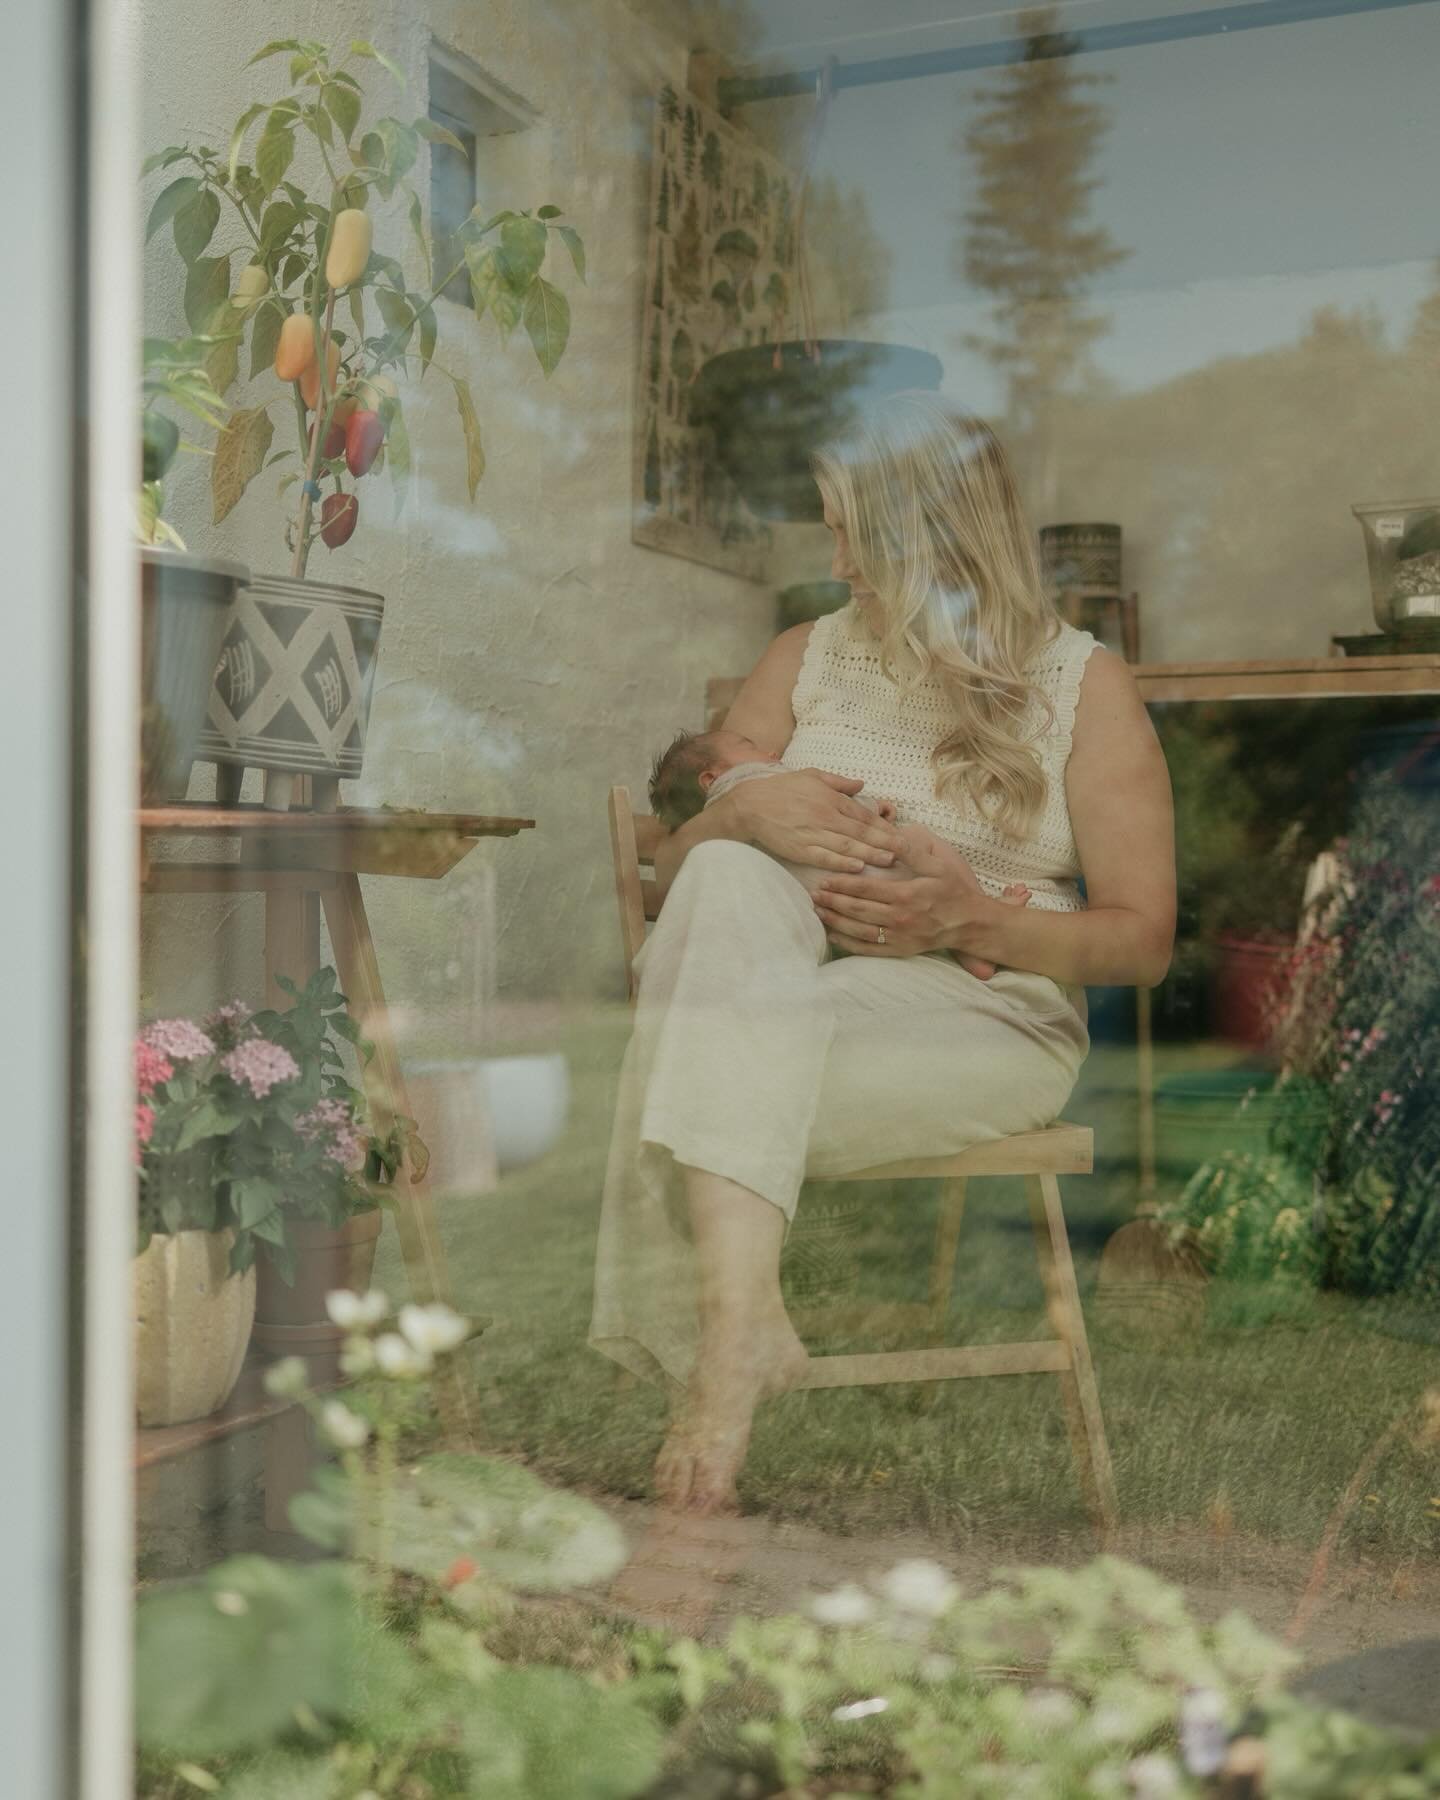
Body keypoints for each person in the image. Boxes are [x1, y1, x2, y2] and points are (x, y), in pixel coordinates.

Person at [590, 393, 1175, 1516]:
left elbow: (1142, 943)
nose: (839, 559)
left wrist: (969, 918)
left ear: (937, 538)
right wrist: (739, 816)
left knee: (690, 1065)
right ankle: (739, 1324)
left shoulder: (1080, 685)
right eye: (831, 528)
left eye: (854, 531)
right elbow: (674, 871)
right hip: (784, 994)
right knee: (718, 874)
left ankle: (726, 1339)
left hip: (982, 1014)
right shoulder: (805, 656)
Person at [647, 724, 1031, 979]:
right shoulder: (763, 783)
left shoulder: (717, 832)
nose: (770, 750)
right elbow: (834, 808)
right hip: (876, 871)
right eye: (749, 746)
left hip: (830, 919)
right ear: (711, 778)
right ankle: (980, 922)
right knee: (923, 841)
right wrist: (871, 808)